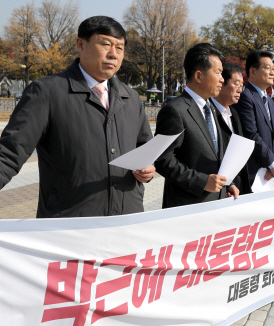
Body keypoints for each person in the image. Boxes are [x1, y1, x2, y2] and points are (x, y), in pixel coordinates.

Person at [0, 16, 154, 218]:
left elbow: (146, 149)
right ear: (80, 44)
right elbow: (9, 153)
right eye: (105, 44)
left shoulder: (131, 97)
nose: (113, 54)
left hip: (127, 220)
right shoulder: (47, 92)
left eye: (120, 48)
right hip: (70, 224)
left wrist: (148, 170)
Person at [155, 43, 239, 208]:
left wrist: (229, 183)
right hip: (187, 206)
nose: (222, 79)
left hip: (217, 202)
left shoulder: (213, 109)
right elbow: (162, 159)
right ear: (199, 76)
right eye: (218, 73)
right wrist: (201, 182)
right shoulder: (175, 110)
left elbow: (217, 153)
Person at [232, 50, 274, 185]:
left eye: (273, 69)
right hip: (252, 173)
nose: (273, 72)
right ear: (253, 72)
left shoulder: (270, 102)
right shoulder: (245, 97)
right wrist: (271, 162)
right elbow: (250, 134)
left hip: (269, 172)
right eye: (267, 68)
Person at [210, 62, 251, 194]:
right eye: (236, 84)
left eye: (242, 86)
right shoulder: (208, 114)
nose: (240, 89)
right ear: (221, 83)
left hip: (236, 185)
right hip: (215, 187)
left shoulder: (234, 114)